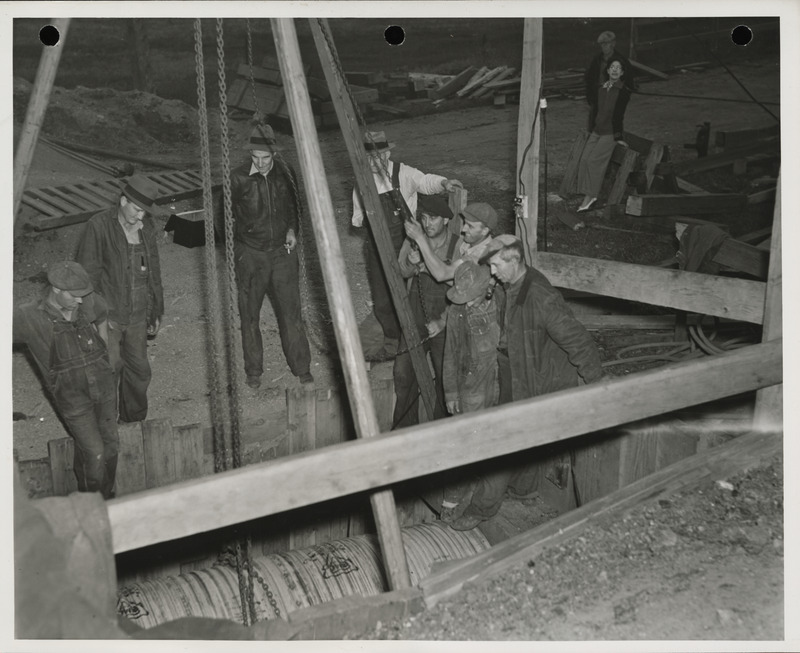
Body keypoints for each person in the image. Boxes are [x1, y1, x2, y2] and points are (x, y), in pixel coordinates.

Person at [450, 235, 604, 531]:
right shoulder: (516, 285)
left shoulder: (540, 297)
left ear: (513, 260)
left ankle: (481, 508)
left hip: (547, 384)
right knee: (526, 440)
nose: (492, 272)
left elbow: (579, 341)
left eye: (495, 265)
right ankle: (522, 490)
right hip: (524, 374)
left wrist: (597, 385)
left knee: (505, 442)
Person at [352, 130, 463, 360]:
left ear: (387, 154)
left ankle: (415, 340)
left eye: (378, 157)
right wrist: (365, 220)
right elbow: (357, 217)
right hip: (376, 246)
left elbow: (425, 182)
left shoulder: (403, 173)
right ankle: (393, 344)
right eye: (369, 158)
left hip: (404, 242)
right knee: (382, 300)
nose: (374, 162)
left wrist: (443, 182)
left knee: (408, 296)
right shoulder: (361, 181)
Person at [13, 261, 118, 498]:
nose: (80, 301)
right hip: (72, 397)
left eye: (83, 295)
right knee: (95, 452)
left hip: (104, 386)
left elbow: (102, 314)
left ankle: (107, 495)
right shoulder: (28, 316)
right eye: (74, 296)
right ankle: (95, 502)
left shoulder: (87, 300)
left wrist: (105, 350)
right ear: (56, 289)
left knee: (111, 448)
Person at [229, 124, 313, 389]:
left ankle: (302, 367)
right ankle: (253, 371)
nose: (262, 164)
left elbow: (295, 209)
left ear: (274, 154)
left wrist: (292, 230)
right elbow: (223, 219)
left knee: (291, 313)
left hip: (281, 253)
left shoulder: (286, 175)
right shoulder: (237, 178)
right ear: (250, 154)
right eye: (256, 158)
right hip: (251, 254)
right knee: (249, 315)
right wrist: (239, 249)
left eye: (266, 158)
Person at [75, 175, 164, 423]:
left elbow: (154, 272)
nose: (140, 217)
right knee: (108, 369)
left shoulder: (147, 230)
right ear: (123, 200)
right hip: (109, 317)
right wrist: (92, 319)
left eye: (145, 212)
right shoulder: (99, 226)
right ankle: (104, 425)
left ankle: (133, 421)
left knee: (139, 372)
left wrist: (156, 309)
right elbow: (87, 277)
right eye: (137, 210)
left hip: (137, 315)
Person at [392, 193, 461, 429]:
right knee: (403, 374)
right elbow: (401, 272)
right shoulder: (412, 241)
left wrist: (443, 322)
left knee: (445, 378)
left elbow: (464, 291)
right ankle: (404, 430)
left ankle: (441, 430)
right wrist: (412, 263)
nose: (427, 224)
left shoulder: (458, 245)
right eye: (424, 218)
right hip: (416, 317)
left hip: (445, 319)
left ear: (445, 220)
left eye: (433, 218)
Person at [575, 56, 633, 212]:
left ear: (622, 73)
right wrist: (592, 128)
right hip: (597, 131)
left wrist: (618, 137)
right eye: (612, 67)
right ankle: (587, 191)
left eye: (618, 68)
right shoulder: (601, 88)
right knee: (585, 159)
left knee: (594, 162)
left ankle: (591, 196)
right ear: (607, 71)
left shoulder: (623, 92)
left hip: (609, 133)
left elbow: (619, 116)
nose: (615, 70)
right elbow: (595, 110)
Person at [403, 201, 497, 282]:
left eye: (470, 226)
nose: (463, 229)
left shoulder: (481, 255)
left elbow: (442, 274)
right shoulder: (468, 245)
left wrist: (420, 238)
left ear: (485, 230)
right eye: (465, 223)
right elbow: (458, 283)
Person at [583, 30, 635, 129]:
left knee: (614, 123)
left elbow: (628, 82)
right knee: (594, 123)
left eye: (606, 43)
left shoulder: (621, 60)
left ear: (613, 44)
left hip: (615, 97)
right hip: (598, 97)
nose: (604, 46)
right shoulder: (597, 60)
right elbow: (589, 79)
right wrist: (590, 97)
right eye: (602, 44)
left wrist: (622, 98)